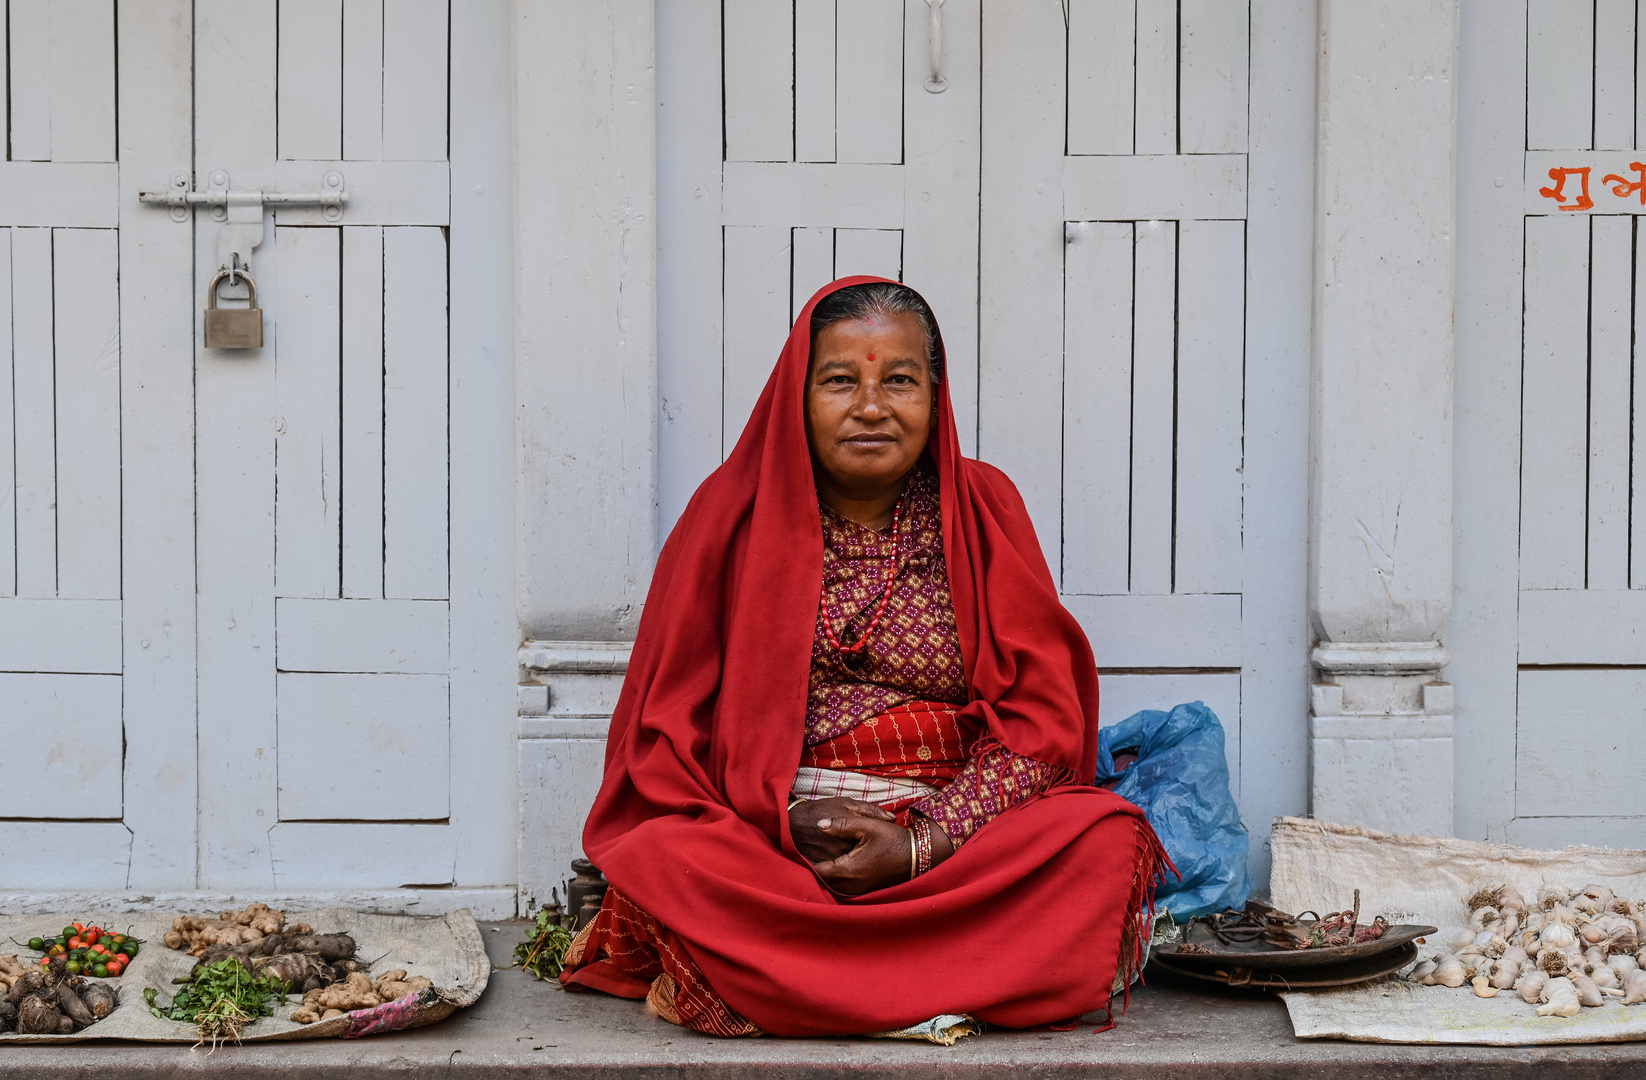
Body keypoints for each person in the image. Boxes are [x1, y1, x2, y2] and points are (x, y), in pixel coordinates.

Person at [558, 277, 1168, 1037]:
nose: (872, 406)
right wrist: (777, 825)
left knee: (1098, 836)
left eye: (900, 381)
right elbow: (662, 737)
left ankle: (792, 987)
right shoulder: (728, 516)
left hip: (952, 849)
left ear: (935, 395)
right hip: (777, 851)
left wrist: (924, 841)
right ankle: (945, 983)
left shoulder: (985, 509)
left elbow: (1041, 719)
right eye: (841, 380)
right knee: (668, 853)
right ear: (798, 394)